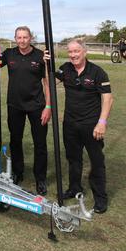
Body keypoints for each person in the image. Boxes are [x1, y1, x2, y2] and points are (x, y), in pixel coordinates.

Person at [47, 40, 113, 214]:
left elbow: (107, 99)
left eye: (76, 51)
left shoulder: (97, 72)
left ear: (85, 52)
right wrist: (47, 64)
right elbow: (49, 82)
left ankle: (100, 198)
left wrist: (102, 122)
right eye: (70, 52)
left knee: (96, 161)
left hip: (92, 125)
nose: (73, 55)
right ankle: (75, 188)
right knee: (73, 158)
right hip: (70, 124)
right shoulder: (66, 69)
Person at [0, 26, 50, 195]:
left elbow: (47, 83)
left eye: (25, 37)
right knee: (15, 140)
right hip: (15, 105)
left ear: (31, 38)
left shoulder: (40, 56)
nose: (22, 40)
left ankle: (41, 178)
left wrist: (48, 106)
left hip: (37, 106)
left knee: (40, 143)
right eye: (19, 37)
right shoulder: (9, 53)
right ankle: (18, 172)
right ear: (15, 38)